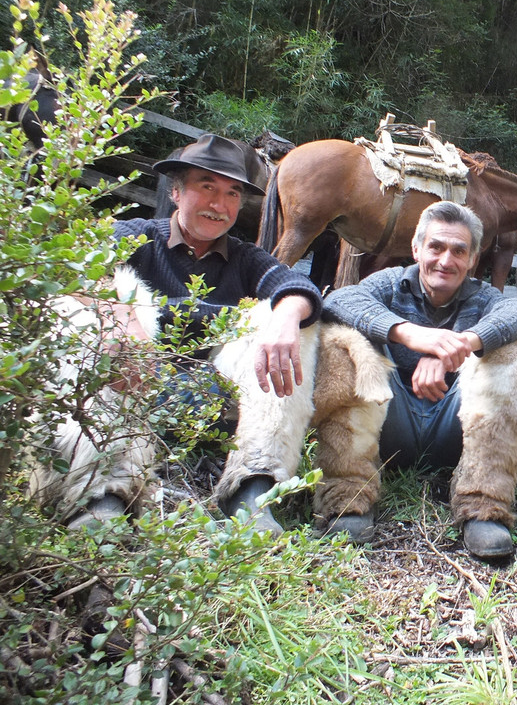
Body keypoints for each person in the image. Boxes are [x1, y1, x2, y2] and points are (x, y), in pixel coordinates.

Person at [31, 134, 379, 543]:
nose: (219, 204)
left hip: (214, 400)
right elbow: (74, 264)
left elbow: (293, 286)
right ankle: (101, 497)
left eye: (232, 193)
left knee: (281, 319)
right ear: (176, 192)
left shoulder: (246, 258)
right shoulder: (134, 236)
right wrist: (120, 315)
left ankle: (252, 487)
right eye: (206, 187)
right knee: (90, 307)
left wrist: (285, 317)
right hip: (133, 392)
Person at [321, 201, 517, 560]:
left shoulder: (484, 297)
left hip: (453, 429)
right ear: (416, 249)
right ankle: (348, 495)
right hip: (387, 423)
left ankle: (483, 503)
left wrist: (454, 348)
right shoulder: (389, 284)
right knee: (342, 337)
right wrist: (409, 334)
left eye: (459, 251)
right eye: (436, 247)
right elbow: (341, 299)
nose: (445, 260)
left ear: (473, 259)